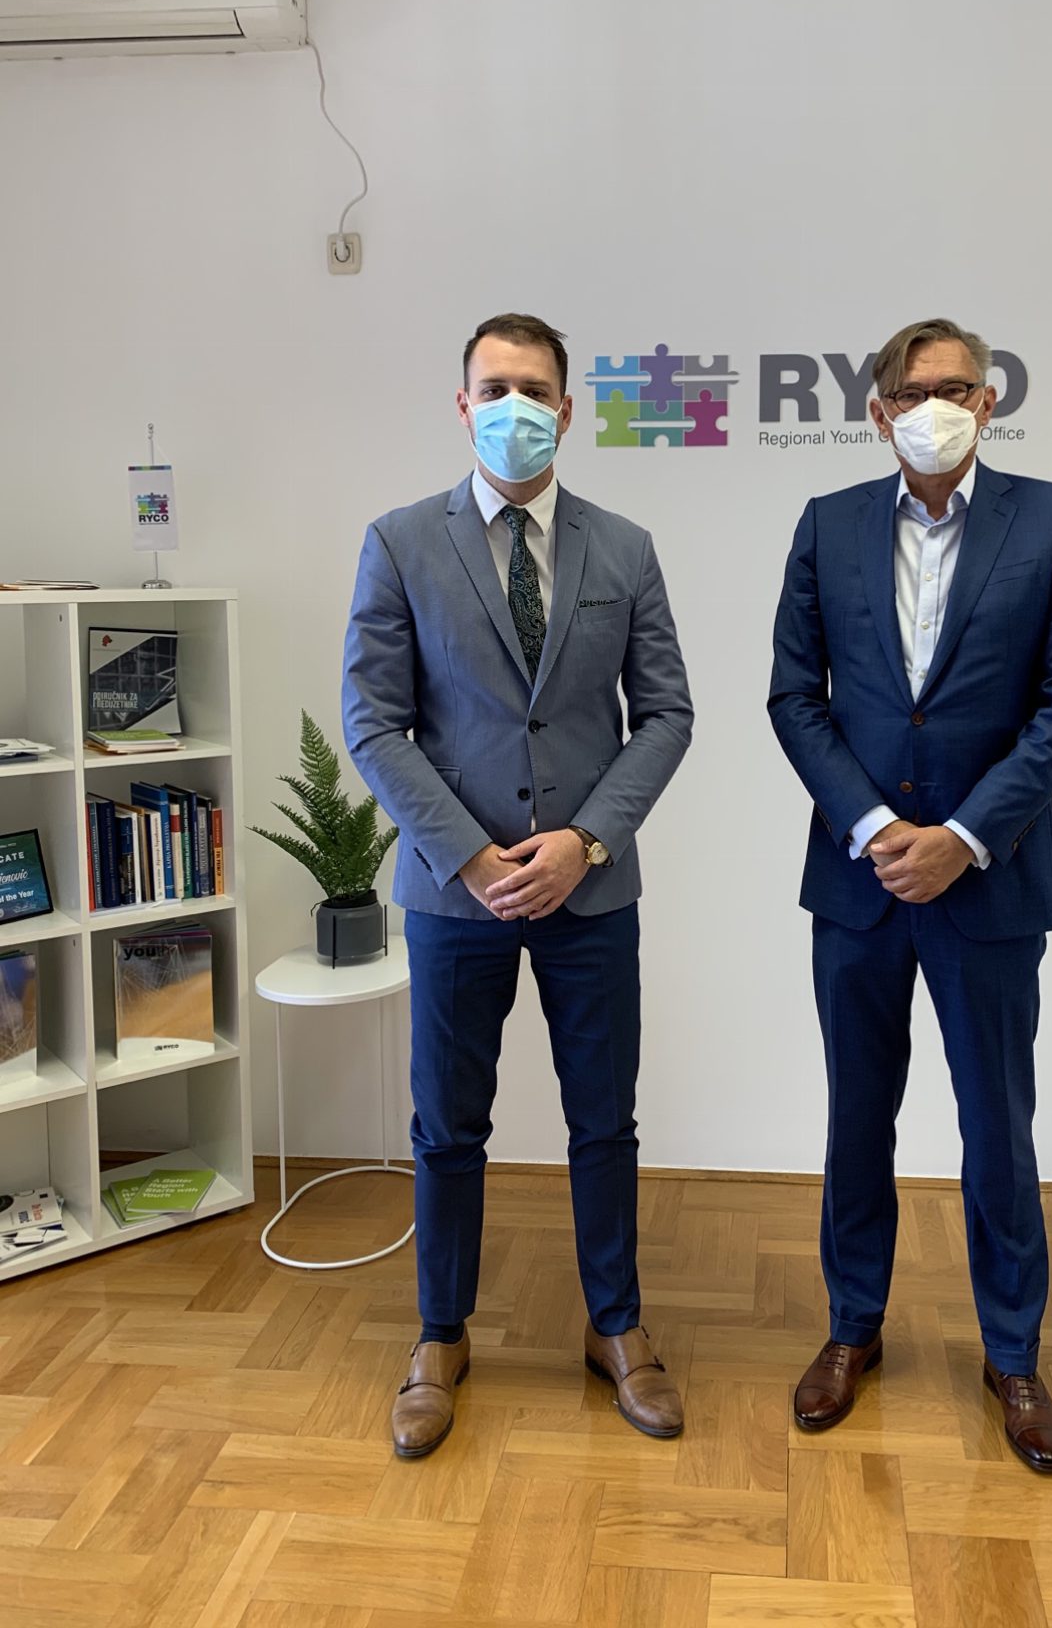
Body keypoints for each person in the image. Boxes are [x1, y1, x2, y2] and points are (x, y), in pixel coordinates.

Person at [343, 312, 693, 1458]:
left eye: (533, 389)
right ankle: (439, 1336)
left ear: (567, 410)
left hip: (589, 891)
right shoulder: (401, 543)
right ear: (461, 405)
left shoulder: (622, 549)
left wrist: (584, 840)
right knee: (447, 1126)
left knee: (604, 1120)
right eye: (492, 387)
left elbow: (665, 715)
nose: (513, 407)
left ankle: (616, 1327)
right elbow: (373, 722)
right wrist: (470, 853)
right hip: (457, 897)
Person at [768, 316, 1052, 1473]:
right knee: (855, 1118)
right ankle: (849, 1329)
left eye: (957, 388)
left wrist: (962, 837)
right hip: (857, 883)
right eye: (914, 392)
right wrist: (874, 831)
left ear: (989, 401)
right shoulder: (826, 526)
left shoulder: (1051, 520)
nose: (937, 408)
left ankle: (1012, 1354)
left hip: (989, 884)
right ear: (876, 411)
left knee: (995, 1126)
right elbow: (793, 698)